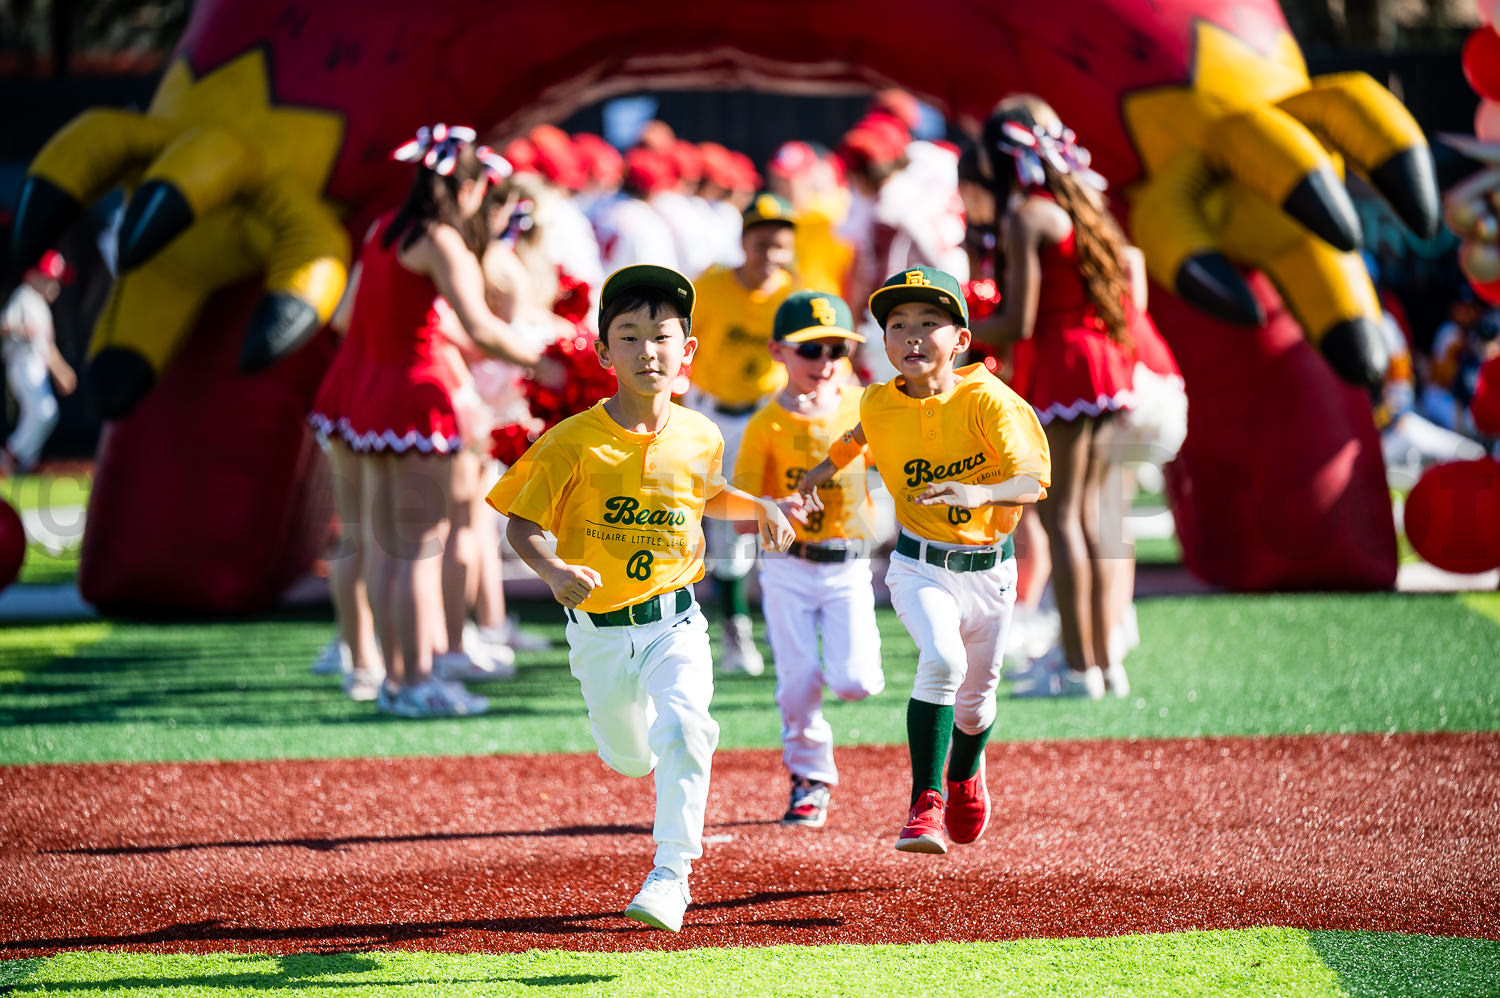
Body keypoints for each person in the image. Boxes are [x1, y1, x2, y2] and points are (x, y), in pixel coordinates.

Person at [489, 264, 795, 932]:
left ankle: (671, 873)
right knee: (631, 757)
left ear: (687, 351)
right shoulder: (570, 440)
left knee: (688, 726)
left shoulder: (699, 433)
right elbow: (520, 522)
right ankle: (635, 751)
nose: (646, 350)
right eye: (628, 336)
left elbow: (704, 491)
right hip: (597, 633)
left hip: (676, 620)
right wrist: (551, 569)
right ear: (603, 352)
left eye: (661, 336)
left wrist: (760, 507)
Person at [797, 265, 1050, 855]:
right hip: (919, 566)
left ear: (961, 339)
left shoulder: (988, 399)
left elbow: (1034, 477)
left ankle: (964, 774)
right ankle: (924, 803)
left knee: (976, 703)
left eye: (929, 323)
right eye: (898, 324)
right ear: (883, 340)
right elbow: (859, 435)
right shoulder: (880, 401)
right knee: (941, 660)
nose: (911, 335)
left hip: (991, 571)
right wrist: (814, 477)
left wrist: (980, 493)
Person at [316, 123, 541, 718]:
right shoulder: (440, 240)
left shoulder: (383, 229)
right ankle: (415, 681)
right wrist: (541, 361)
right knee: (417, 548)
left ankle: (397, 679)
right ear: (466, 189)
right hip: (418, 399)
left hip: (370, 396)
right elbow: (483, 325)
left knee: (389, 548)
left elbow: (352, 318)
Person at [969, 94, 1139, 700]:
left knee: (1063, 517)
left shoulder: (1028, 217)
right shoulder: (1080, 203)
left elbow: (1017, 322)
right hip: (1100, 362)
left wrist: (944, 325)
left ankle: (1076, 667)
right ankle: (1100, 663)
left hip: (1064, 366)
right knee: (1087, 518)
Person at [733, 289, 885, 828]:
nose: (824, 362)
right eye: (810, 350)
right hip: (788, 567)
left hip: (848, 564)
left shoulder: (864, 405)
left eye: (835, 350)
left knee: (855, 682)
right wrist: (775, 508)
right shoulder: (765, 424)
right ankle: (809, 779)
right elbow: (740, 510)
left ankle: (818, 747)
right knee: (797, 681)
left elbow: (904, 455)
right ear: (778, 352)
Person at [683, 192, 802, 675]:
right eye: (761, 242)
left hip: (768, 416)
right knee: (725, 524)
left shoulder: (792, 294)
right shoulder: (709, 286)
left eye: (779, 244)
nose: (770, 254)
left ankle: (783, 627)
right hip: (712, 416)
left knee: (776, 517)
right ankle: (734, 629)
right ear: (744, 241)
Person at [2, 250, 76, 475]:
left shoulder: (43, 308)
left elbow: (48, 347)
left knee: (43, 414)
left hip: (38, 366)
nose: (54, 286)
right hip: (22, 362)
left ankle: (22, 464)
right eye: (49, 279)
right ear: (32, 275)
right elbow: (4, 324)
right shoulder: (24, 296)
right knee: (44, 411)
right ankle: (11, 454)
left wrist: (62, 372)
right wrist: (21, 330)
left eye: (57, 281)